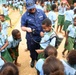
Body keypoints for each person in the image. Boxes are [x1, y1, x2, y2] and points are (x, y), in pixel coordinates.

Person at [21, 0, 47, 68]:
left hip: (41, 36)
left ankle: (40, 60)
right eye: (30, 9)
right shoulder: (24, 16)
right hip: (31, 37)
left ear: (35, 5)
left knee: (41, 48)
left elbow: (46, 21)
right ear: (26, 8)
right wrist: (27, 29)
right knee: (32, 50)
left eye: (33, 8)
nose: (32, 9)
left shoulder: (41, 12)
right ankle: (33, 59)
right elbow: (22, 27)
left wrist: (43, 31)